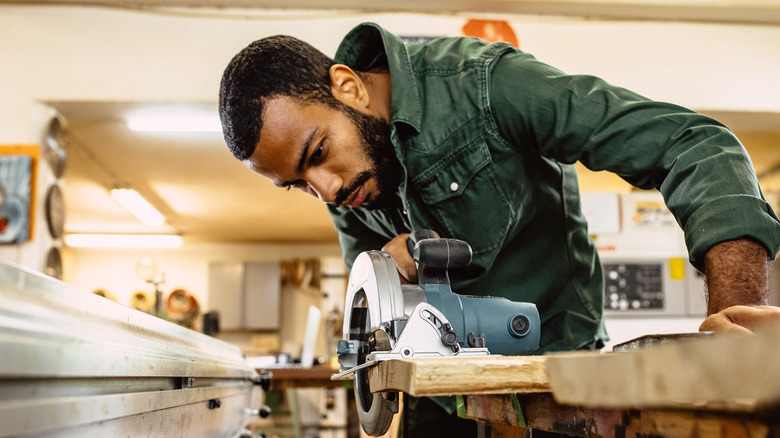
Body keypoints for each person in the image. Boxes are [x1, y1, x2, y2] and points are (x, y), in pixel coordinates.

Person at [219, 22, 780, 436]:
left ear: (348, 86)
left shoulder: (485, 87)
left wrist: (730, 326)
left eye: (317, 153)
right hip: (444, 396)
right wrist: (393, 273)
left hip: (559, 374)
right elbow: (376, 303)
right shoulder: (346, 181)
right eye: (297, 183)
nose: (326, 190)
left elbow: (695, 147)